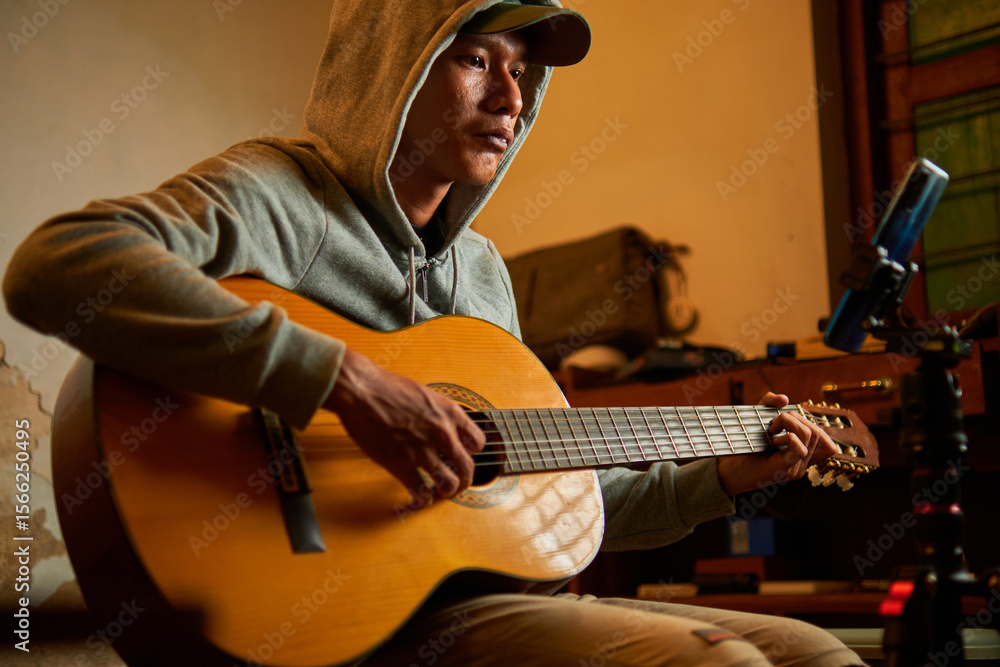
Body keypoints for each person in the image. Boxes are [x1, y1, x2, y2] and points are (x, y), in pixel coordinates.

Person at [3, 1, 864, 665]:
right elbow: (58, 264)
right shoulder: (282, 195)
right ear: (396, 67)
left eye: (523, 71)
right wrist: (349, 383)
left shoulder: (485, 273)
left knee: (817, 650)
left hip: (482, 595)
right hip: (333, 612)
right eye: (476, 58)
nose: (511, 98)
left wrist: (721, 478)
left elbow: (560, 501)